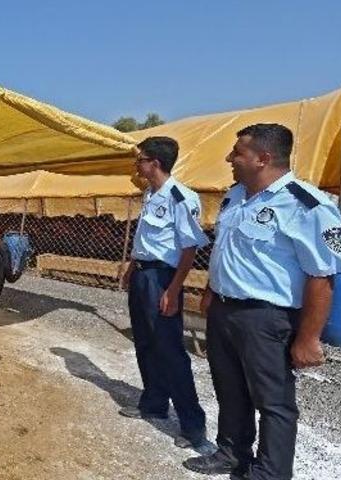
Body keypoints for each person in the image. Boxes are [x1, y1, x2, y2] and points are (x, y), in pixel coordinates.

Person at [183, 124, 341, 479]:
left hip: (267, 318)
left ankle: (271, 472)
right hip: (225, 310)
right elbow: (225, 251)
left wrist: (308, 339)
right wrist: (211, 292)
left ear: (263, 158)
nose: (230, 158)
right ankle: (232, 453)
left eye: (237, 153)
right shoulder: (235, 197)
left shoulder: (307, 206)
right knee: (229, 388)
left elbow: (322, 277)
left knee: (273, 402)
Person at [119, 136, 209, 449]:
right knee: (145, 342)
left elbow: (189, 248)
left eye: (140, 159)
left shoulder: (181, 197)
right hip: (144, 274)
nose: (137, 165)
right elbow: (145, 239)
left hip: (163, 277)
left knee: (170, 349)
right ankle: (153, 403)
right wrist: (132, 268)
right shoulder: (150, 193)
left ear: (155, 163)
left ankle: (192, 425)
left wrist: (173, 289)